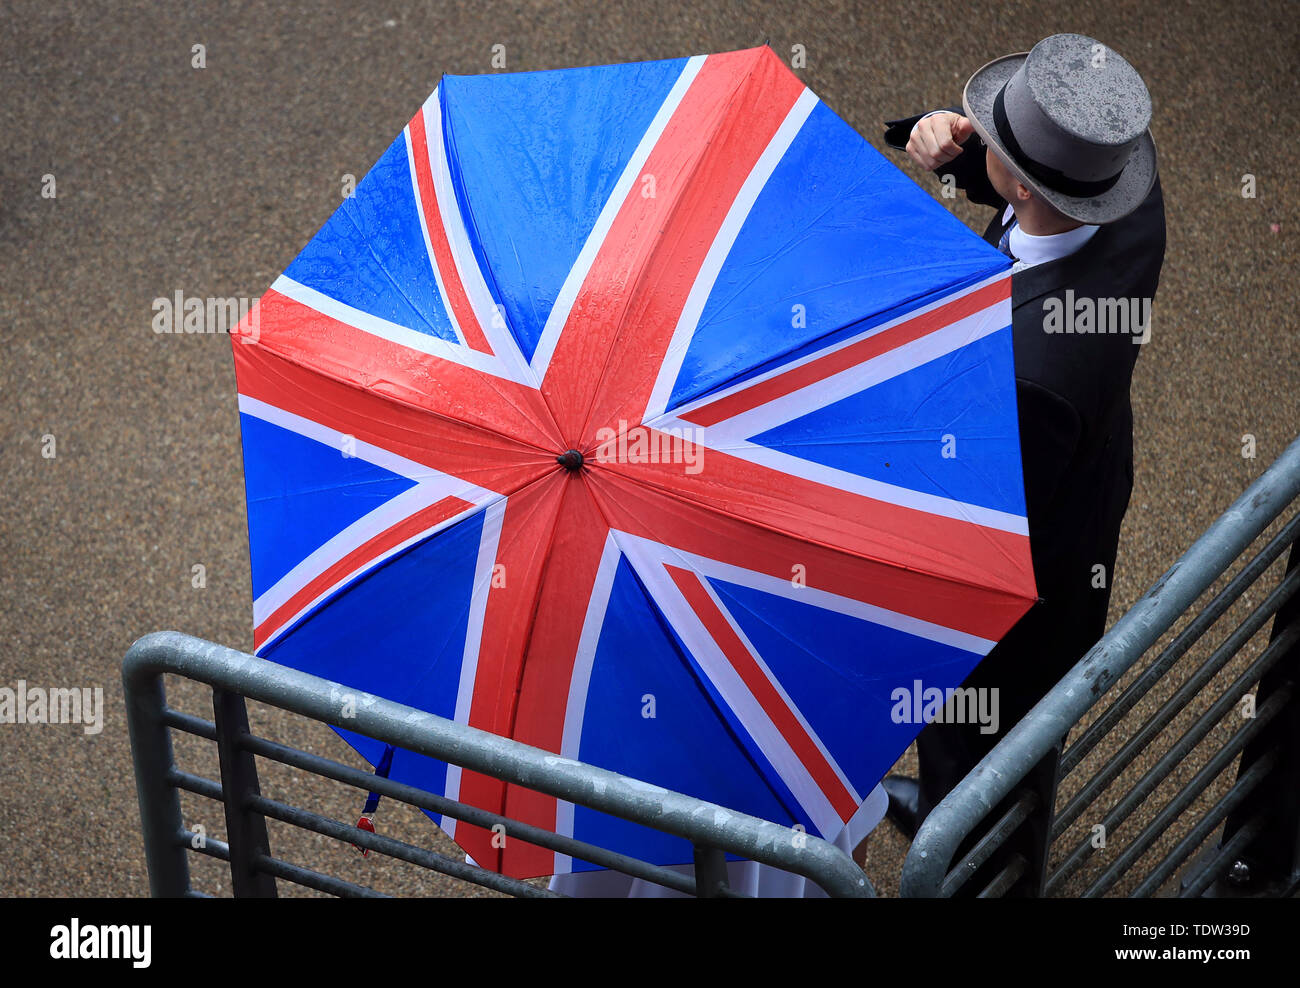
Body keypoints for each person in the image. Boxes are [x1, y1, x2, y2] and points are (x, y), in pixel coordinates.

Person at [878, 33, 1166, 893]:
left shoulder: (1033, 372)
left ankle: (976, 860)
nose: (972, 125)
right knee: (999, 731)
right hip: (1087, 480)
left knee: (984, 725)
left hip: (1026, 564)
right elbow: (1033, 200)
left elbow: (980, 494)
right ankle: (947, 808)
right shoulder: (1124, 180)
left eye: (987, 134)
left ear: (1026, 184)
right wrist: (961, 162)